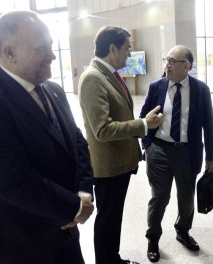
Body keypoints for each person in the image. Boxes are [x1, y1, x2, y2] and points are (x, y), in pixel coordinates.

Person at [0, 10, 94, 264]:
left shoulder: (54, 90)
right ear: (10, 53)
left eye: (51, 46)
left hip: (64, 233)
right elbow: (14, 180)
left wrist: (84, 192)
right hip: (17, 243)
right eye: (41, 49)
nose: (52, 56)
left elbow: (78, 143)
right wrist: (74, 207)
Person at [78, 26, 163, 264]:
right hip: (108, 166)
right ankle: (106, 261)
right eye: (127, 48)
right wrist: (143, 125)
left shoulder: (109, 75)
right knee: (108, 217)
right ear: (112, 48)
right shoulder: (93, 78)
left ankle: (111, 258)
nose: (130, 54)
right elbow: (102, 129)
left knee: (113, 217)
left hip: (118, 163)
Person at [140, 45, 213, 262]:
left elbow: (209, 125)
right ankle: (153, 237)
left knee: (186, 197)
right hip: (159, 149)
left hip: (187, 151)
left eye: (173, 61)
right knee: (159, 196)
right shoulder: (156, 87)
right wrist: (147, 145)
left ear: (187, 66)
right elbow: (144, 116)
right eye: (167, 60)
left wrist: (211, 157)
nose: (167, 65)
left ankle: (182, 230)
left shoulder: (201, 89)